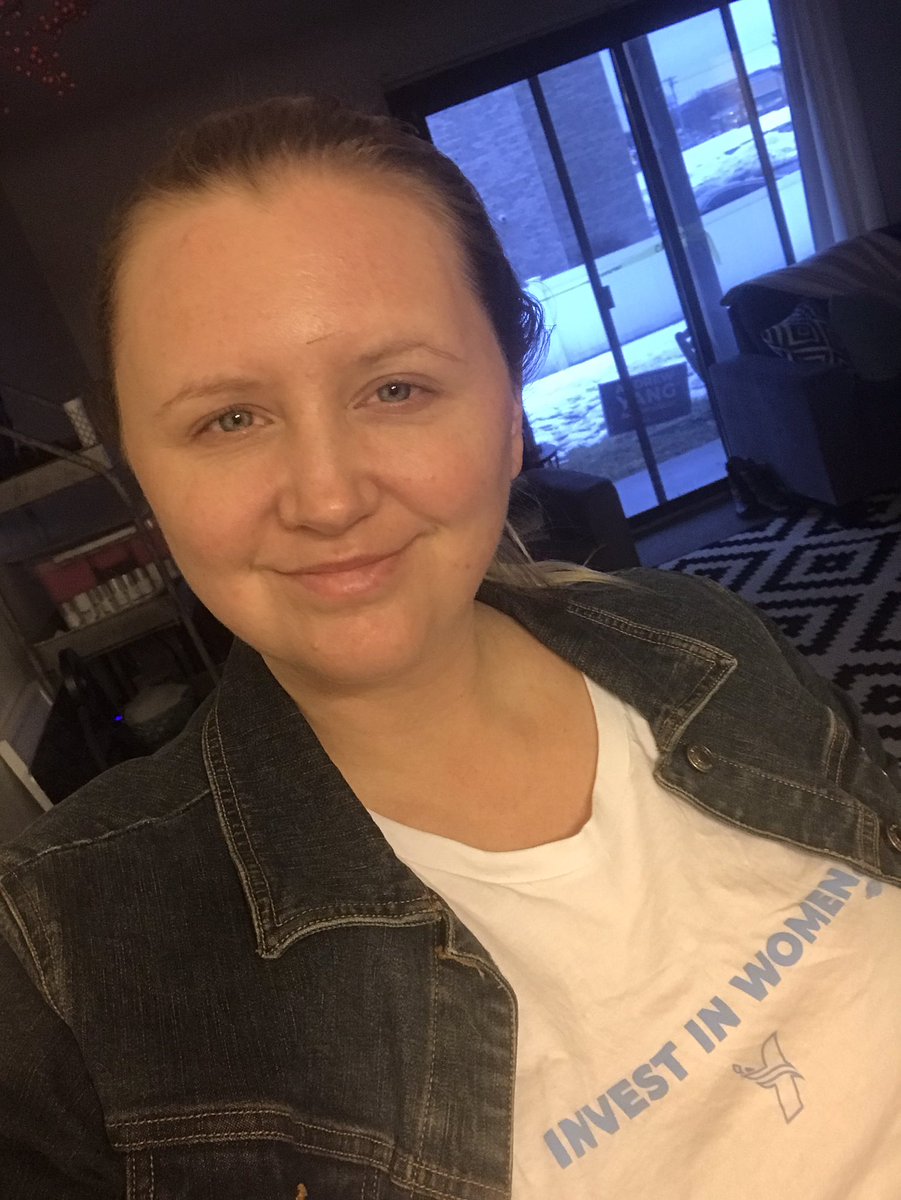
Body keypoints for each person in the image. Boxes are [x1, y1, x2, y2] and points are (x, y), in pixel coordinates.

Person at [1, 95, 900, 1200]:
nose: (328, 497)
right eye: (229, 419)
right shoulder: (65, 958)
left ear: (510, 411)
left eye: (396, 388)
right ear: (144, 471)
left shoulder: (702, 638)